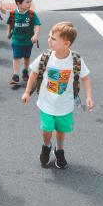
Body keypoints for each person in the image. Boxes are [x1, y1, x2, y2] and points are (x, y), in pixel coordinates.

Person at [22, 21, 94, 169]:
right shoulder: (46, 57)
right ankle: (46, 146)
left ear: (66, 43)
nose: (49, 40)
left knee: (61, 130)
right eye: (49, 37)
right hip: (46, 102)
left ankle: (59, 150)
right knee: (47, 129)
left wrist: (89, 96)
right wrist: (27, 92)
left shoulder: (75, 60)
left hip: (65, 104)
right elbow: (34, 73)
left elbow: (85, 77)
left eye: (53, 39)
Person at [7, 0, 41, 85]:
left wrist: (35, 35)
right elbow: (10, 23)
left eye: (30, 1)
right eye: (27, 2)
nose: (29, 4)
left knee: (26, 57)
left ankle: (25, 71)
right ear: (19, 3)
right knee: (16, 57)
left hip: (28, 41)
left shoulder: (31, 14)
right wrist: (8, 32)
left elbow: (37, 25)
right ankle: (16, 75)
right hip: (16, 40)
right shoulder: (13, 13)